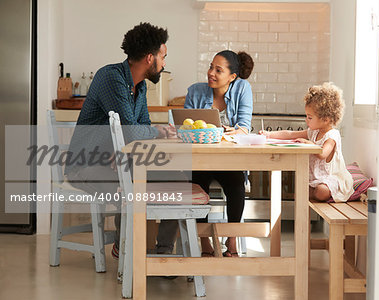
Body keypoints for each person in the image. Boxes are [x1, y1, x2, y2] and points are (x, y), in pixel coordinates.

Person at [65, 22, 177, 259]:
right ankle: (125, 247)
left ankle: (163, 253)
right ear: (150, 58)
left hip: (114, 161)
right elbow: (132, 132)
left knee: (173, 177)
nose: (165, 63)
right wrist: (157, 132)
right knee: (132, 188)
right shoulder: (111, 77)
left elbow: (141, 128)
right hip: (85, 165)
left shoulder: (140, 87)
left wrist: (127, 150)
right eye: (163, 57)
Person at [184, 50, 254, 257]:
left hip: (228, 160)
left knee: (236, 183)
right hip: (200, 158)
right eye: (210, 67)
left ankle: (231, 239)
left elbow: (244, 127)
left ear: (232, 77)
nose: (211, 73)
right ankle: (204, 241)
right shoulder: (195, 91)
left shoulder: (242, 88)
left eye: (218, 70)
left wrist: (236, 130)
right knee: (197, 182)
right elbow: (184, 127)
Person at [260, 82, 354, 202]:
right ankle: (310, 193)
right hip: (316, 179)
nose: (306, 120)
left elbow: (323, 153)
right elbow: (291, 134)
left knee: (321, 191)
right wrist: (269, 134)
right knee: (300, 190)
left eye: (310, 117)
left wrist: (310, 144)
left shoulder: (332, 135)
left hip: (331, 178)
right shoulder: (314, 132)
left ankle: (314, 193)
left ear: (326, 119)